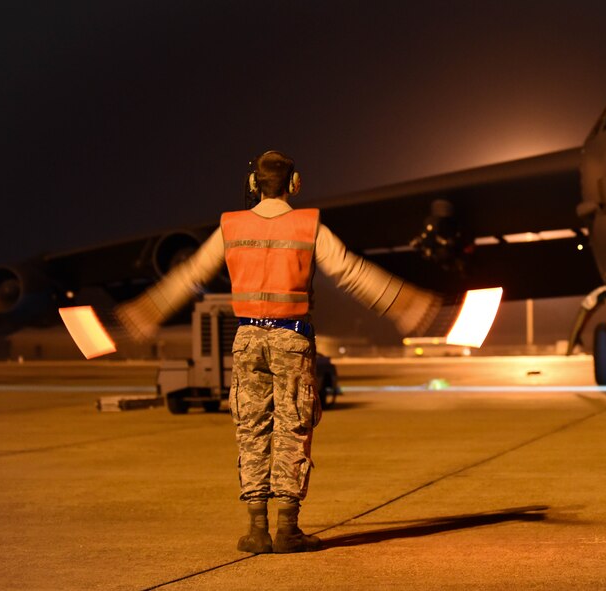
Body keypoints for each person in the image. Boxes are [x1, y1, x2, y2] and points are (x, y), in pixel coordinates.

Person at [116, 150, 440, 553]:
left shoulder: (229, 226)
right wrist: (403, 302)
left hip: (248, 338)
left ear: (253, 185)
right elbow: (349, 271)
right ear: (295, 183)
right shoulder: (309, 225)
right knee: (293, 428)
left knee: (251, 430)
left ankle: (256, 530)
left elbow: (192, 273)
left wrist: (148, 310)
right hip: (292, 338)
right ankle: (287, 528)